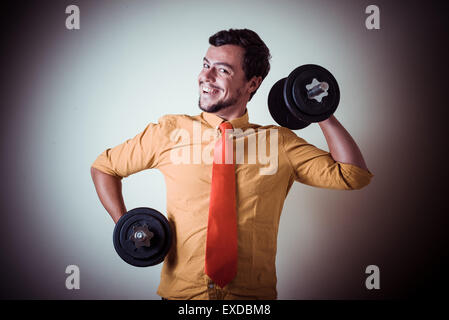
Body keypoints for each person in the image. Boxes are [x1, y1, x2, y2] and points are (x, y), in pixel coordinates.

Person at [91, 28, 373, 300]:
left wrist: (318, 109)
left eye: (222, 70)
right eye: (205, 65)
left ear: (252, 83)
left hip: (252, 300)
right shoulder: (169, 132)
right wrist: (125, 226)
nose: (206, 76)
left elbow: (353, 175)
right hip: (182, 297)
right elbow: (105, 167)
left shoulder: (280, 143)